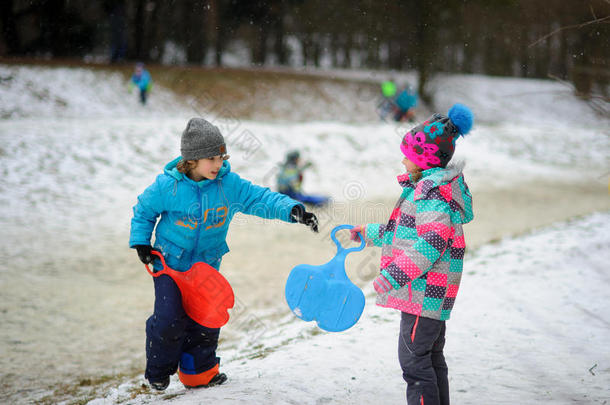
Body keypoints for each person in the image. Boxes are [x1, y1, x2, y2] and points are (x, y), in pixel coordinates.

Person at [129, 118, 318, 391]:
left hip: (206, 266)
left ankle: (199, 373)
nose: (217, 164)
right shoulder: (168, 186)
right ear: (192, 159)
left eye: (221, 157)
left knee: (207, 319)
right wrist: (142, 244)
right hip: (170, 266)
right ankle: (159, 370)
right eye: (211, 158)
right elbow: (144, 211)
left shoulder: (227, 185)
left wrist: (292, 210)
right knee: (170, 319)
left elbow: (259, 198)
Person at [350, 104, 474, 405]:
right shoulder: (432, 189)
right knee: (430, 358)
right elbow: (406, 234)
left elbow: (429, 244)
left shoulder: (431, 195)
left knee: (415, 364)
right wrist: (370, 233)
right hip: (430, 295)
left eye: (408, 156)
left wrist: (391, 276)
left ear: (424, 161)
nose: (403, 161)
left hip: (423, 295)